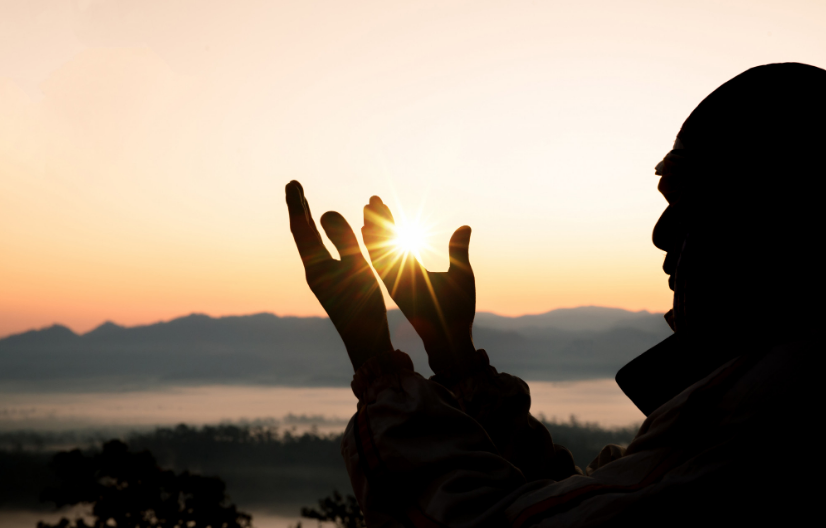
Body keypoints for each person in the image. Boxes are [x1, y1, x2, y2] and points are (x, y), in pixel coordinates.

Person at [285, 63, 822, 527]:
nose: (662, 232)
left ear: (778, 209)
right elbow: (581, 502)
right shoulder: (757, 394)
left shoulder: (774, 409)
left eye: (687, 195)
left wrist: (377, 366)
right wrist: (452, 354)